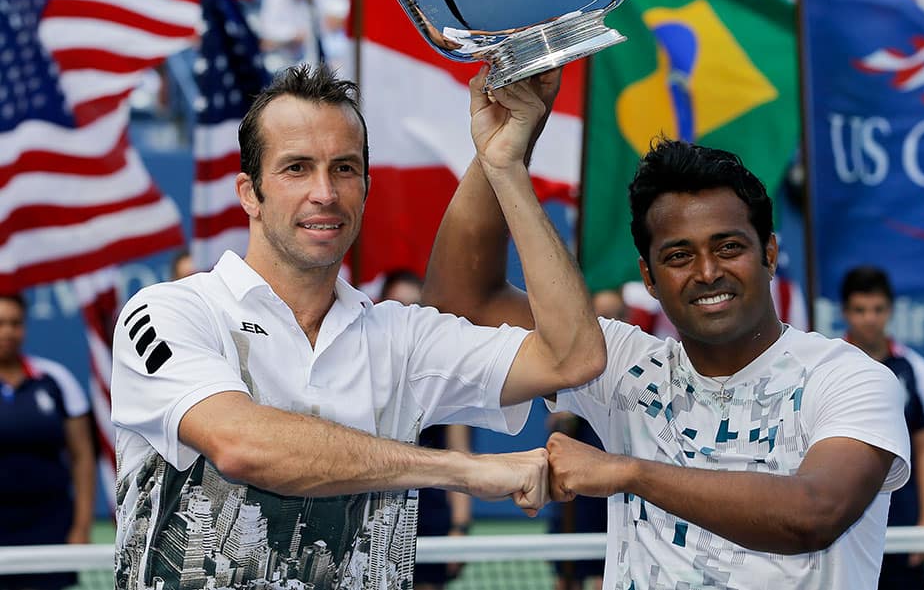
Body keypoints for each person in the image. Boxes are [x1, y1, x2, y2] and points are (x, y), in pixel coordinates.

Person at [110, 64, 606, 590]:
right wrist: (460, 469)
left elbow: (572, 357)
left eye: (344, 169)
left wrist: (503, 164)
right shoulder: (169, 312)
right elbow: (239, 444)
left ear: (366, 188)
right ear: (249, 192)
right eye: (296, 168)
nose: (324, 193)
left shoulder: (401, 336)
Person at [423, 75, 911, 589]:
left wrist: (628, 472)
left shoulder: (848, 377)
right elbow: (466, 304)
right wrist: (501, 162)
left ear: (769, 254)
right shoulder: (624, 367)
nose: (706, 272)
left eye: (728, 247)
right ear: (650, 278)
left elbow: (814, 513)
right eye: (679, 256)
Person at [840, 267, 924, 590]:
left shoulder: (915, 368)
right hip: (843, 527)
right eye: (860, 310)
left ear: (890, 310)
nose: (869, 319)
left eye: (877, 309)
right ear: (844, 312)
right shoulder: (827, 366)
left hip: (901, 527)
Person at [378, 269, 473, 590]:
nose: (404, 315)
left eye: (413, 307)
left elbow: (459, 452)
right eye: (397, 305)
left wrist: (460, 527)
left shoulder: (441, 382)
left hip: (429, 514)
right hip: (375, 514)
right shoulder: (363, 373)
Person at [0, 294, 95, 590]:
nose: (8, 332)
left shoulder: (55, 380)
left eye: (15, 323)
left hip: (49, 524)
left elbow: (82, 457)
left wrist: (80, 528)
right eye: (0, 323)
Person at [547, 288, 625, 590]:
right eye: (600, 316)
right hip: (575, 507)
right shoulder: (573, 374)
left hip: (616, 506)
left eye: (614, 315)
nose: (607, 323)